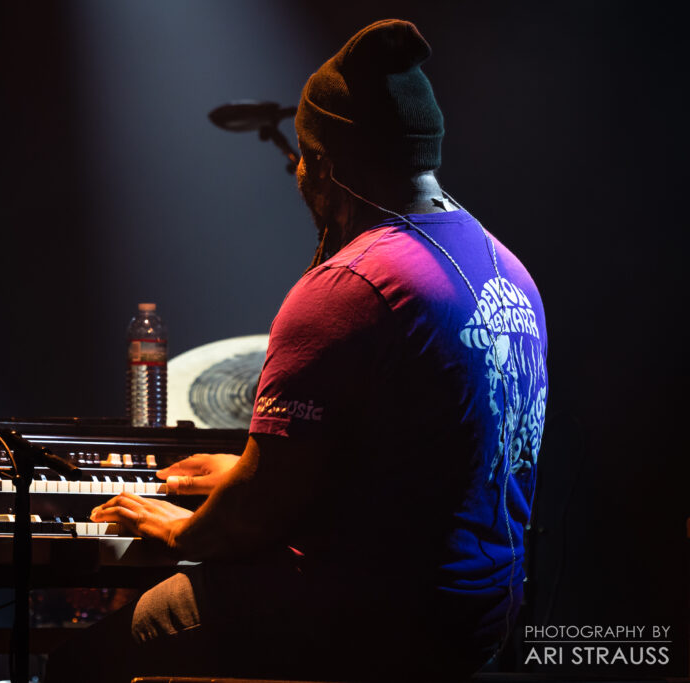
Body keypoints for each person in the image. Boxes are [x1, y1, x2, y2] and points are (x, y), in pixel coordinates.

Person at [48, 18, 547, 682]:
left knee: (83, 662)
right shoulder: (508, 271)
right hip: (481, 616)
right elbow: (412, 474)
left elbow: (246, 524)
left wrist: (176, 525)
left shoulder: (350, 285)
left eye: (306, 158)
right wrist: (242, 470)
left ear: (327, 164)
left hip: (365, 622)